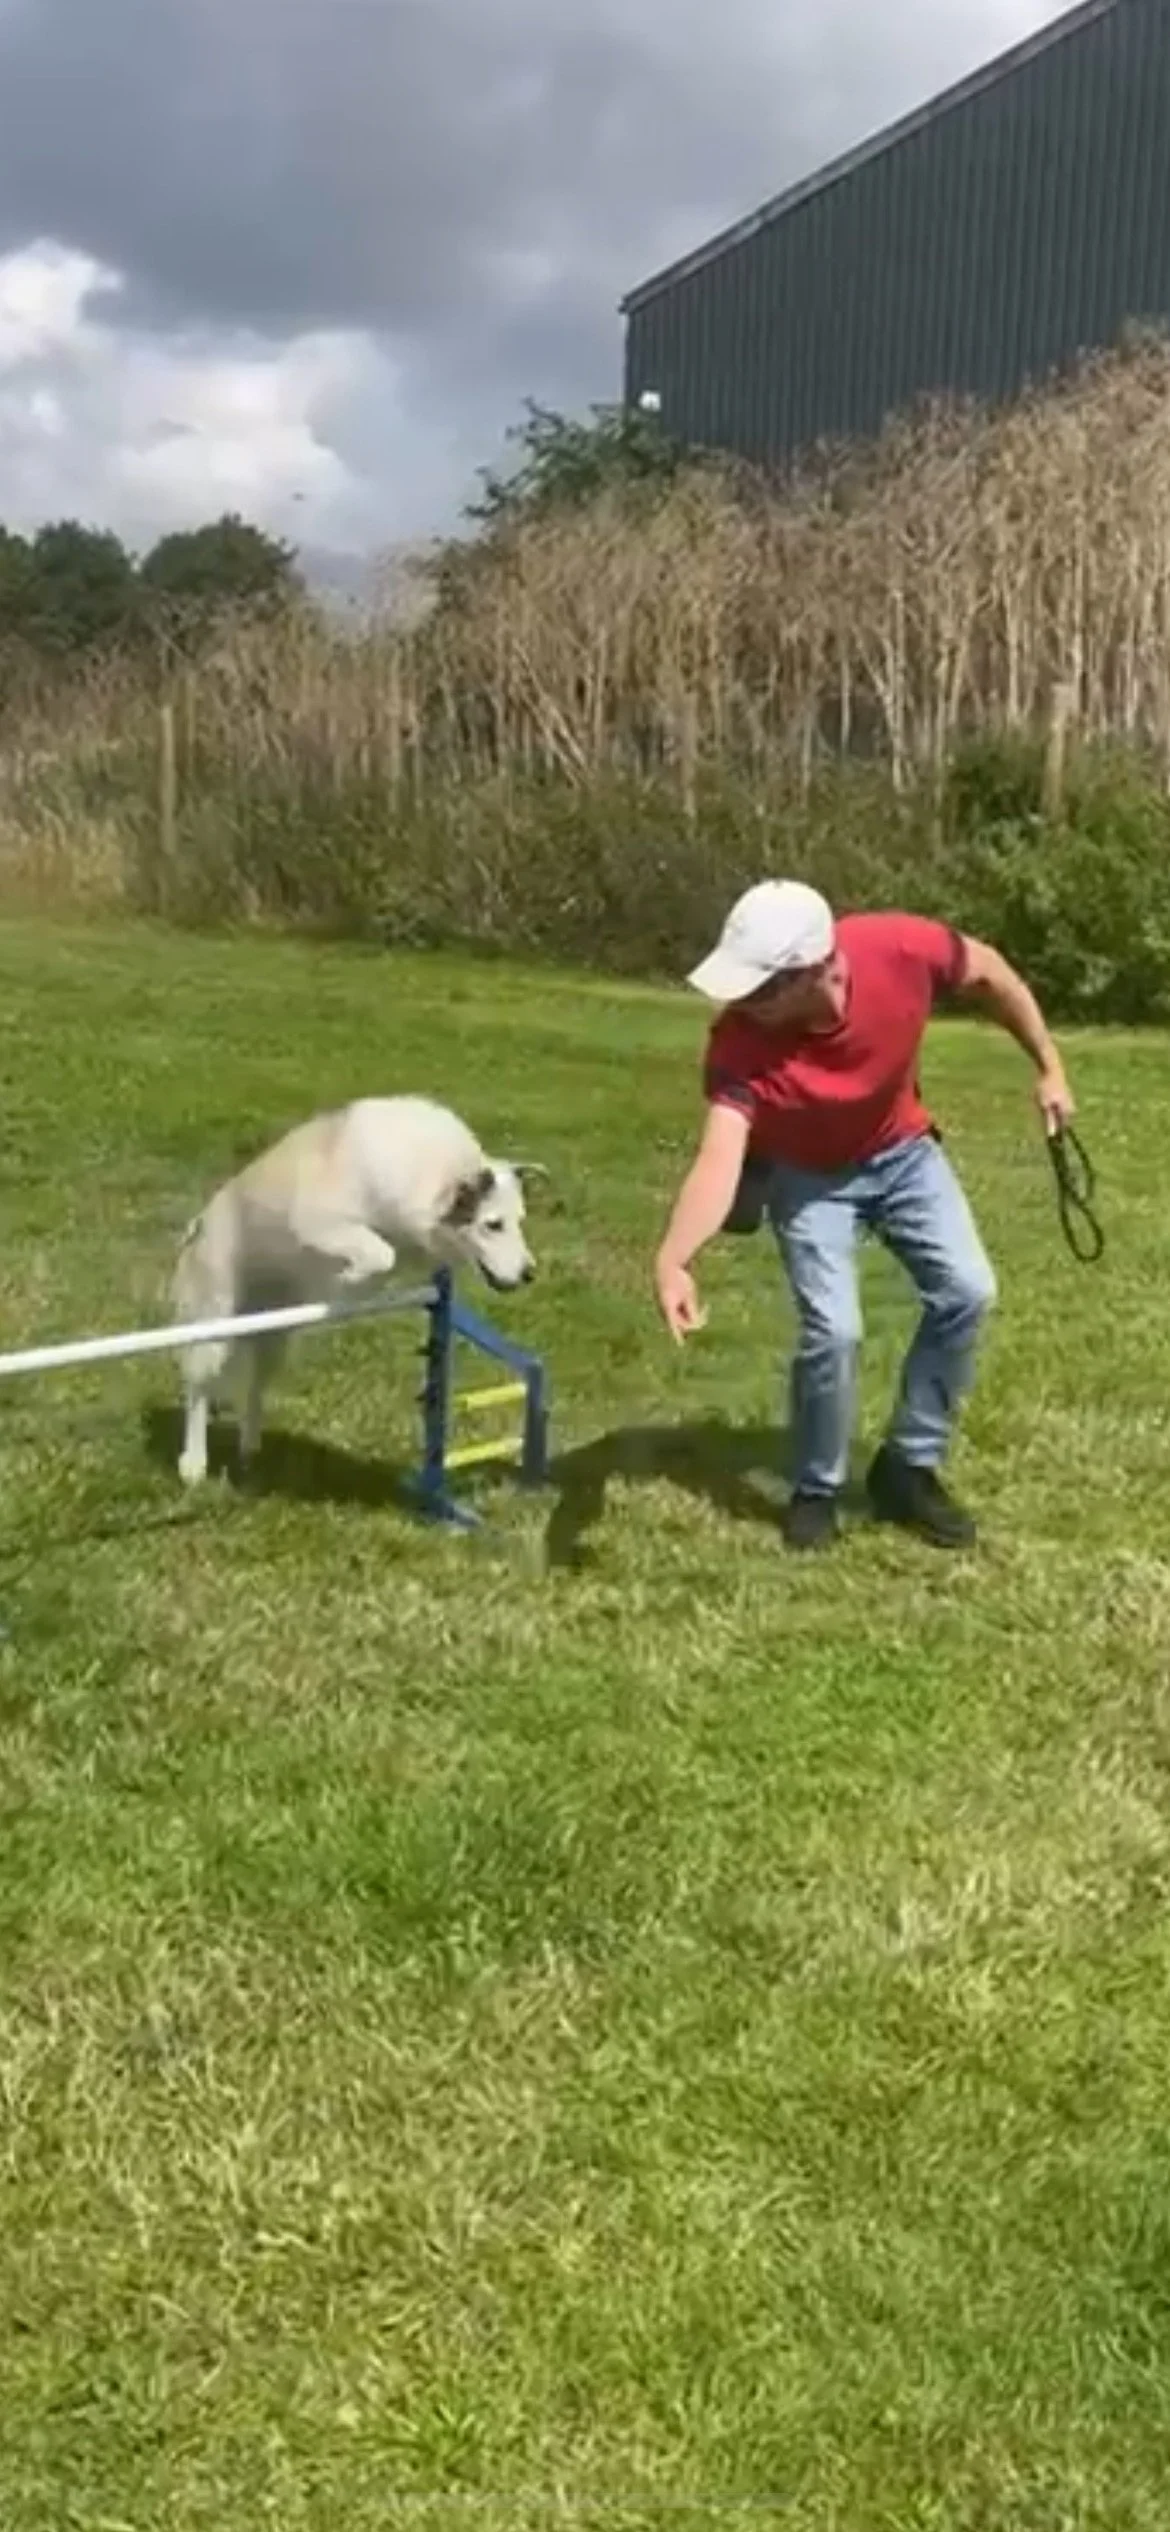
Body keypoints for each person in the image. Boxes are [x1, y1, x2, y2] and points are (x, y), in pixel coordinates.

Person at [653, 879, 1074, 1552]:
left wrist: (1049, 1066)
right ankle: (816, 1488)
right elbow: (719, 1154)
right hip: (807, 1179)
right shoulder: (737, 1041)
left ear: (814, 970)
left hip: (903, 1153)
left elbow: (990, 972)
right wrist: (675, 1257)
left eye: (759, 989)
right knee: (835, 1331)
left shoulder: (898, 949)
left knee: (968, 1291)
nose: (742, 1002)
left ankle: (908, 1467)